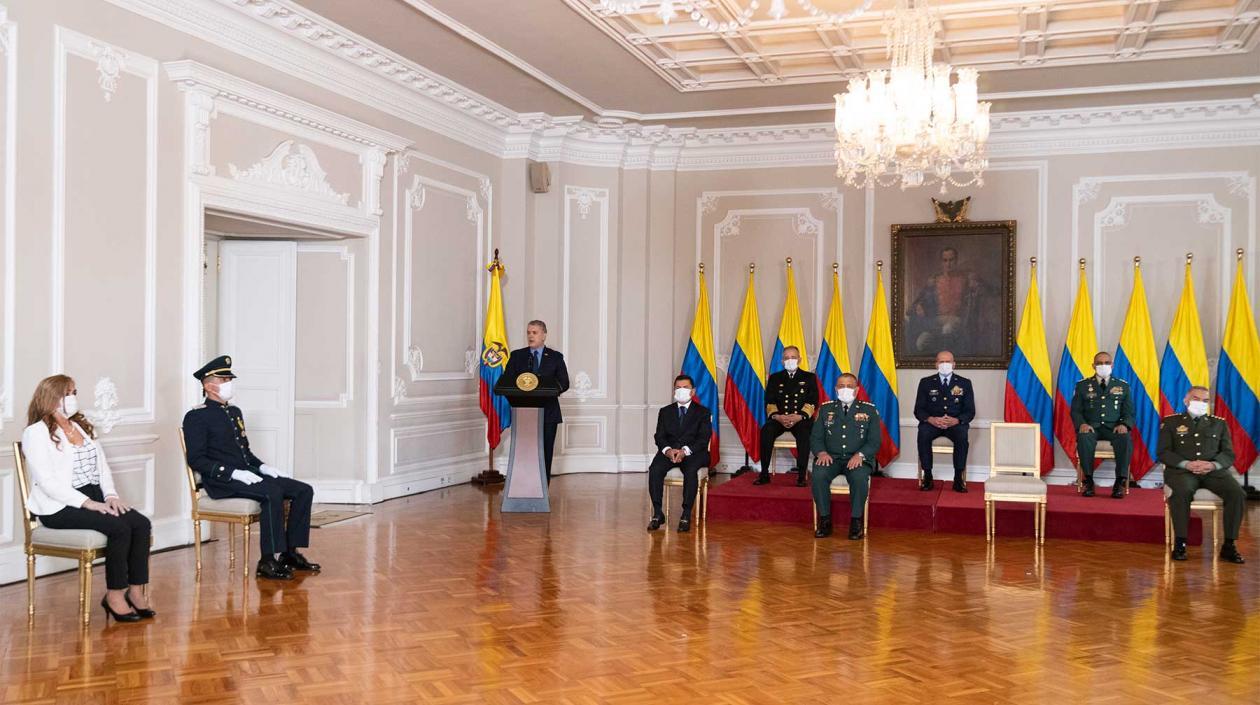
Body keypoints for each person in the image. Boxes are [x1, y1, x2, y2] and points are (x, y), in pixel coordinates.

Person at [21, 375, 153, 622]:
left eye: (74, 392)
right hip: (59, 506)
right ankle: (114, 595)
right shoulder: (35, 433)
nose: (73, 398)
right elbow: (48, 483)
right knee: (119, 528)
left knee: (140, 523)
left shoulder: (79, 426)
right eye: (67, 393)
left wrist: (111, 495)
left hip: (93, 495)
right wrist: (88, 503)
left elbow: (101, 467)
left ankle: (135, 592)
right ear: (52, 398)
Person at [182, 355, 320, 580]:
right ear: (208, 385)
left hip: (248, 474)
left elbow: (244, 453)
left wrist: (263, 467)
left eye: (229, 378)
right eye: (223, 379)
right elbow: (196, 459)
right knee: (272, 493)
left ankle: (289, 553)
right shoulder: (196, 417)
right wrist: (232, 473)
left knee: (303, 490)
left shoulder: (234, 412)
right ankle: (267, 560)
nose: (228, 383)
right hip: (222, 480)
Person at [1157, 386, 1246, 563]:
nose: (1201, 403)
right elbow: (1163, 452)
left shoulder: (1219, 423)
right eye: (1196, 399)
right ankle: (1180, 543)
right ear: (1186, 401)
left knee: (1237, 493)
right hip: (1182, 472)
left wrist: (1212, 465)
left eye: (1205, 401)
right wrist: (1186, 464)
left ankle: (1229, 545)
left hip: (1213, 472)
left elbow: (1228, 453)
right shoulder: (1171, 422)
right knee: (1181, 492)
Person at [810, 373, 880, 540]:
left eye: (849, 386)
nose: (845, 389)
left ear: (856, 390)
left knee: (859, 477)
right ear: (835, 389)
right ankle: (825, 521)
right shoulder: (826, 409)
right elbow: (816, 437)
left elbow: (874, 441)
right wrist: (821, 452)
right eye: (841, 386)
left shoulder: (869, 410)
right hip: (831, 458)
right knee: (818, 475)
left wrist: (860, 455)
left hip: (857, 459)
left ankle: (856, 522)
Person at [504, 320, 570, 482]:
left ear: (544, 335)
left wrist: (549, 391)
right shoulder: (517, 356)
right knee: (525, 451)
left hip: (548, 413)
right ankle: (523, 486)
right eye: (528, 332)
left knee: (545, 451)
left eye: (534, 332)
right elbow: (506, 382)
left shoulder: (555, 357)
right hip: (524, 413)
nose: (530, 336)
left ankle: (542, 489)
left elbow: (564, 382)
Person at [646, 375, 712, 533]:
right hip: (670, 451)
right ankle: (657, 513)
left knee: (690, 471)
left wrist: (684, 451)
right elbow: (659, 436)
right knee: (655, 469)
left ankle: (686, 514)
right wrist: (668, 450)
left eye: (685, 388)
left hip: (694, 452)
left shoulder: (703, 412)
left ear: (693, 391)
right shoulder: (665, 411)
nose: (681, 391)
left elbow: (704, 438)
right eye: (678, 388)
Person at [1070, 351, 1133, 498]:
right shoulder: (1083, 385)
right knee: (1084, 437)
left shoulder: (1122, 386)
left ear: (1112, 365)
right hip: (1092, 427)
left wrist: (1124, 424)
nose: (1103, 366)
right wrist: (1082, 424)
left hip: (1114, 428)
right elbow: (1076, 411)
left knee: (1125, 438)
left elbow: (1129, 412)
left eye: (1106, 363)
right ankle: (1089, 481)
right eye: (1099, 363)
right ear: (1093, 366)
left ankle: (1120, 482)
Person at [755, 346, 818, 487]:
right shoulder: (775, 378)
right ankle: (764, 473)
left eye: (793, 357)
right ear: (782, 361)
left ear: (800, 360)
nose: (790, 360)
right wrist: (777, 416)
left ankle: (802, 476)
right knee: (766, 430)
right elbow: (769, 401)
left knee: (804, 433)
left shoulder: (809, 377)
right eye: (786, 358)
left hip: (800, 419)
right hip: (779, 418)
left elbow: (812, 401)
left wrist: (799, 416)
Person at [913, 350, 975, 493]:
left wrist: (957, 420)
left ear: (954, 364)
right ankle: (927, 476)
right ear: (936, 364)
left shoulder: (964, 383)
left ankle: (958, 478)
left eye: (948, 362)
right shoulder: (926, 383)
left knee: (962, 435)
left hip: (954, 424)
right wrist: (931, 419)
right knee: (923, 433)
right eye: (941, 361)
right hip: (933, 423)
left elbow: (970, 411)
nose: (945, 364)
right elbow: (919, 409)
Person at [905, 246, 984, 354]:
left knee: (948, 329)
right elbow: (915, 304)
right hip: (936, 322)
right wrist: (918, 305)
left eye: (951, 260)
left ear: (956, 261)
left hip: (957, 321)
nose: (948, 264)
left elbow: (986, 291)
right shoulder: (934, 280)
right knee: (921, 342)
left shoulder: (965, 278)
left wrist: (975, 289)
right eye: (945, 260)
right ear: (941, 262)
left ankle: (946, 360)